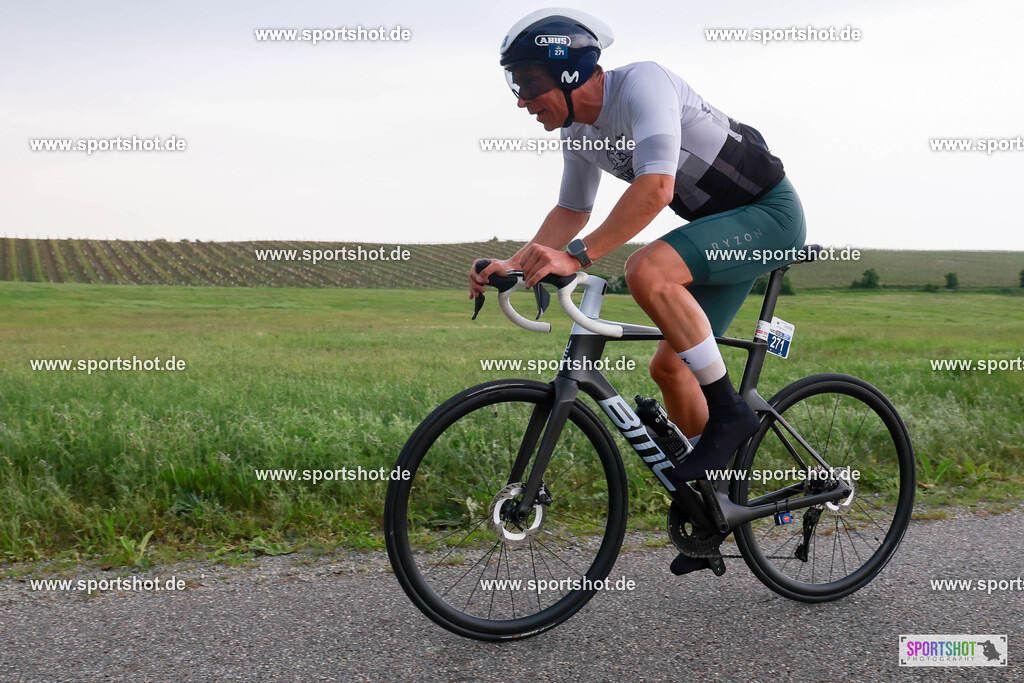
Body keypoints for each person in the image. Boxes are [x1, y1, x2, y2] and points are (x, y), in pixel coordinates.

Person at [470, 9, 806, 573]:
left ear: (571, 73)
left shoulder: (643, 83)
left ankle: (729, 413)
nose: (522, 99)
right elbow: (572, 209)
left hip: (767, 216)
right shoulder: (578, 133)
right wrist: (516, 260)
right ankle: (718, 503)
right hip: (715, 234)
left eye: (527, 83)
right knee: (672, 370)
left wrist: (576, 256)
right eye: (515, 85)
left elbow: (655, 189)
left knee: (648, 269)